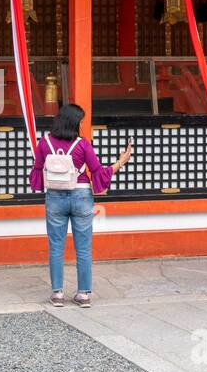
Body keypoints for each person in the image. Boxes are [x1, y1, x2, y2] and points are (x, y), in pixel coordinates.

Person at [28, 102, 131, 307]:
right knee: (83, 248)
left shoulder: (44, 143)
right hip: (81, 196)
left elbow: (38, 169)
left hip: (55, 197)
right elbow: (98, 172)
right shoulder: (83, 145)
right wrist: (121, 161)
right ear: (75, 122)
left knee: (56, 247)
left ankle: (57, 293)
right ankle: (83, 294)